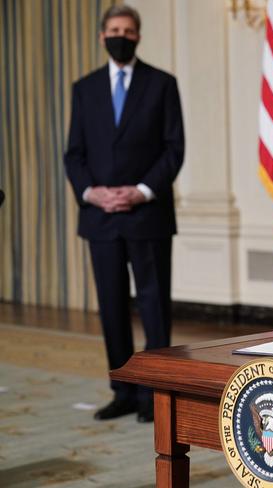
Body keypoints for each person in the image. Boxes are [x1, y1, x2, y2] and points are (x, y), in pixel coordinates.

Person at [64, 5, 184, 422]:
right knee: (112, 307)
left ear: (138, 36)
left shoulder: (162, 84)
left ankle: (157, 394)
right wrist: (92, 193)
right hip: (101, 218)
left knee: (153, 309)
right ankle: (123, 391)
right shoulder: (84, 89)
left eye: (129, 30)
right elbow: (74, 154)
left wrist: (140, 191)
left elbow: (174, 148)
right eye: (114, 29)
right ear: (102, 36)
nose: (121, 35)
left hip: (146, 215)